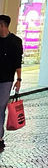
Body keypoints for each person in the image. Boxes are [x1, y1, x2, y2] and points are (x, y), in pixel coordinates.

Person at [0, 15, 22, 152]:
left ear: (3, 25)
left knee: (0, 107)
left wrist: (19, 79)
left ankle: (0, 137)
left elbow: (17, 62)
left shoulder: (15, 41)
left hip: (6, 80)